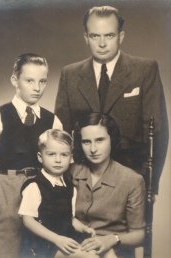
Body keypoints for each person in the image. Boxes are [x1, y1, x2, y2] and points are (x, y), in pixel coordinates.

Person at [55, 5, 169, 195]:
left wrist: (150, 185)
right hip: (81, 182)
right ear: (86, 38)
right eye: (94, 36)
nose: (102, 43)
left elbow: (156, 132)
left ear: (120, 37)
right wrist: (66, 177)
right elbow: (61, 133)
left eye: (109, 35)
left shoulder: (144, 70)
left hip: (131, 180)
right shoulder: (70, 75)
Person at [0, 53, 62, 258]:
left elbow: (62, 160)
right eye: (29, 80)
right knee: (7, 251)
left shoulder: (52, 121)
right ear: (15, 80)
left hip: (41, 188)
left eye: (42, 81)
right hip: (7, 189)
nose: (37, 88)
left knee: (40, 249)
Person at [68, 112, 146, 258]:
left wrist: (112, 239)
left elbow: (139, 235)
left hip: (114, 250)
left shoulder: (132, 180)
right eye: (86, 142)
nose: (93, 149)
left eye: (100, 140)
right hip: (76, 247)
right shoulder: (71, 172)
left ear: (112, 140)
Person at [18, 129, 100, 258]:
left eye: (64, 155)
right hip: (44, 243)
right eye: (51, 154)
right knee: (90, 256)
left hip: (65, 237)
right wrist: (57, 239)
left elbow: (70, 219)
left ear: (71, 157)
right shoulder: (34, 186)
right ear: (40, 157)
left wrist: (84, 228)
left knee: (103, 251)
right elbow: (28, 221)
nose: (58, 160)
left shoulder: (70, 187)